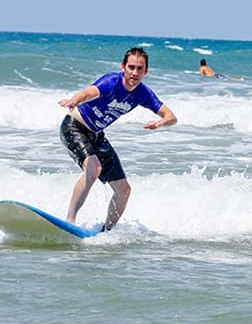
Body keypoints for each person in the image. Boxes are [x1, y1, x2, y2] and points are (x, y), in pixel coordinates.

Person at [58, 47, 177, 231]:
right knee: (94, 168)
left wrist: (159, 123)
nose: (134, 73)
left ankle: (106, 232)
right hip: (74, 126)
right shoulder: (111, 82)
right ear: (123, 67)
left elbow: (171, 117)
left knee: (124, 191)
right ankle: (69, 221)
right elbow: (88, 93)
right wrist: (75, 100)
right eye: (131, 67)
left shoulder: (143, 93)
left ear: (146, 71)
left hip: (97, 135)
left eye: (139, 68)